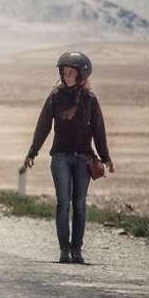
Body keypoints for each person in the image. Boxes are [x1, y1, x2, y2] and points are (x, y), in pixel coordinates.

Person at [24, 51, 114, 265]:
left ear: (82, 75)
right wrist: (32, 151)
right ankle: (64, 250)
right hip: (60, 157)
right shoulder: (55, 96)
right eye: (65, 72)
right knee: (63, 203)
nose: (67, 76)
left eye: (72, 72)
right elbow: (43, 125)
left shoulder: (90, 100)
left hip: (83, 158)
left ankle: (77, 250)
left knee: (80, 204)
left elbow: (99, 130)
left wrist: (105, 157)